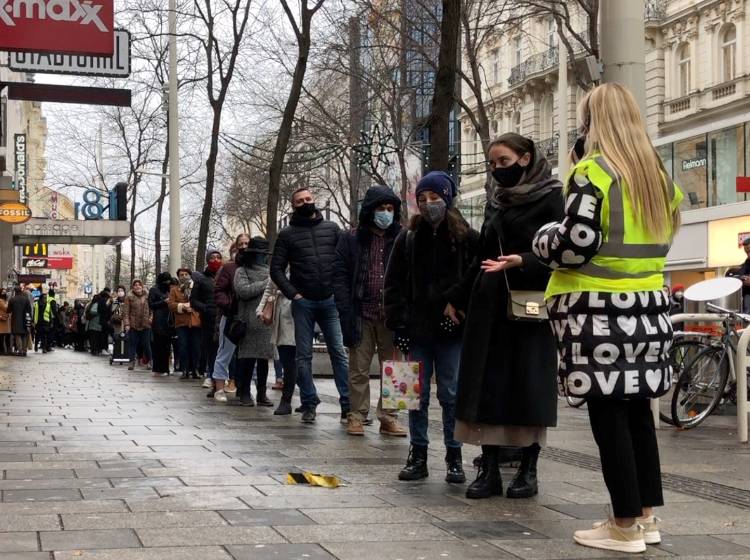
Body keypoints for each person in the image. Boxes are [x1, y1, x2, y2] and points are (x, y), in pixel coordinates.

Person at [532, 83, 683, 554]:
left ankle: (622, 524)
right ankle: (645, 516)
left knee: (608, 416)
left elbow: (575, 242)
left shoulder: (593, 171)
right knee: (638, 412)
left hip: (595, 313)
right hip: (648, 310)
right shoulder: (658, 177)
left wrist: (543, 239)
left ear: (592, 122)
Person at [451, 134, 564, 500]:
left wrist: (524, 262)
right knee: (489, 385)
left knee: (528, 386)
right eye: (493, 163)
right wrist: (455, 297)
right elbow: (483, 254)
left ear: (526, 158)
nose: (498, 169)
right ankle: (490, 467)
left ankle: (528, 470)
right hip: (490, 305)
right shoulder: (495, 202)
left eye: (503, 161)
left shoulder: (553, 198)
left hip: (530, 302)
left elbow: (563, 252)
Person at [384, 171, 479, 484]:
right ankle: (418, 453)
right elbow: (393, 283)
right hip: (415, 329)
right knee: (413, 394)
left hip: (452, 330)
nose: (428, 205)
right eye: (422, 199)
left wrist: (458, 303)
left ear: (447, 198)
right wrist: (397, 324)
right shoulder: (408, 237)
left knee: (451, 393)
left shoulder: (466, 236)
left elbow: (475, 277)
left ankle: (455, 456)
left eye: (434, 198)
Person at [270, 188, 351, 424]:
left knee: (338, 352)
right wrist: (293, 294)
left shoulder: (332, 229)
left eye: (308, 199)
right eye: (300, 201)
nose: (306, 203)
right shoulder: (287, 234)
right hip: (303, 302)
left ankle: (347, 404)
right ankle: (308, 402)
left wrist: (338, 290)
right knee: (302, 355)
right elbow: (276, 269)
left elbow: (343, 261)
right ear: (293, 206)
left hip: (329, 300)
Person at [334, 185, 407, 437]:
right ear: (370, 210)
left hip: (393, 315)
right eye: (381, 208)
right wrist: (344, 309)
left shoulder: (403, 237)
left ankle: (390, 417)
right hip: (360, 313)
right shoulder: (350, 238)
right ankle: (356, 415)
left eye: (390, 209)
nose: (386, 213)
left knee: (399, 368)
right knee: (358, 369)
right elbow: (340, 275)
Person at [234, 236, 275, 407]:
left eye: (263, 253)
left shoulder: (272, 270)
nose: (261, 256)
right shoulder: (241, 271)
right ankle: (244, 392)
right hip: (248, 321)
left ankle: (262, 394)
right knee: (247, 359)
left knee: (264, 359)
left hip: (266, 321)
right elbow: (243, 291)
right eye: (258, 253)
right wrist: (266, 283)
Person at [212, 234, 250, 402]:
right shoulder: (228, 268)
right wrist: (228, 306)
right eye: (240, 244)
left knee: (248, 355)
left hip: (250, 317)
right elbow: (219, 290)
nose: (244, 246)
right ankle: (219, 388)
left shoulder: (256, 267)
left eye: (247, 243)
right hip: (231, 317)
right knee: (224, 353)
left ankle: (244, 388)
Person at [258, 275, 297, 415]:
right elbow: (270, 287)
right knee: (288, 361)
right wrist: (261, 309)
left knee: (294, 362)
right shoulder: (279, 265)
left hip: (297, 315)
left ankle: (290, 399)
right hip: (281, 317)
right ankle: (307, 398)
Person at [169, 268, 203, 380]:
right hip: (181, 322)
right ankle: (184, 370)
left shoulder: (197, 287)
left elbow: (202, 301)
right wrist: (183, 307)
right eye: (181, 275)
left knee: (196, 346)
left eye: (186, 274)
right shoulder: (174, 290)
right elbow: (171, 304)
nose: (184, 276)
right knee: (183, 346)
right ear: (178, 277)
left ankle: (195, 369)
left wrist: (192, 307)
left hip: (195, 321)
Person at [195, 249, 222, 388]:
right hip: (208, 319)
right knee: (211, 349)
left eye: (218, 257)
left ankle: (224, 377)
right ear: (207, 260)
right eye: (212, 257)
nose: (216, 260)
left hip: (224, 316)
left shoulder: (225, 274)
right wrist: (205, 308)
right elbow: (194, 300)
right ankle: (210, 374)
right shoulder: (202, 279)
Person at [149, 273, 174, 377]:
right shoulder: (154, 290)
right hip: (159, 322)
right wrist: (164, 302)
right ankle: (158, 368)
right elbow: (151, 305)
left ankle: (165, 368)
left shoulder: (171, 290)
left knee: (167, 347)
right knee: (158, 346)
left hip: (169, 321)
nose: (167, 283)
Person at [124, 280, 152, 370]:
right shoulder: (129, 297)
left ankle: (150, 361)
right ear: (133, 287)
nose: (137, 286)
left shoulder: (148, 296)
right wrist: (127, 324)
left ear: (142, 286)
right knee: (132, 344)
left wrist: (151, 318)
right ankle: (131, 362)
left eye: (139, 285)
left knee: (146, 344)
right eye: (135, 285)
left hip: (145, 323)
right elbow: (126, 312)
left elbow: (152, 309)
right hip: (133, 324)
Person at [8, 288, 31, 356]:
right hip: (25, 320)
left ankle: (20, 351)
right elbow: (29, 310)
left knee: (17, 335)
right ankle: (24, 351)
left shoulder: (12, 299)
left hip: (16, 320)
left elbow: (8, 310)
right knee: (24, 336)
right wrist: (30, 320)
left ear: (15, 292)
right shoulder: (26, 299)